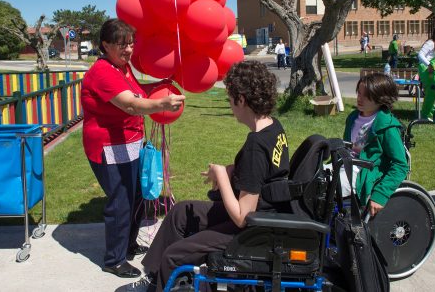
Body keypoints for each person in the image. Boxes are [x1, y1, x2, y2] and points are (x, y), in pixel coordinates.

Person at [138, 61, 290, 292]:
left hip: (254, 229)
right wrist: (230, 170)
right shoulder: (273, 127)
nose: (229, 104)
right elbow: (262, 171)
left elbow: (242, 217)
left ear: (241, 100)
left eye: (230, 99)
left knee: (173, 256)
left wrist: (221, 174)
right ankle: (154, 279)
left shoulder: (255, 146)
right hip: (265, 213)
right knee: (181, 213)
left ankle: (163, 280)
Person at [80, 19, 185, 278]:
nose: (128, 50)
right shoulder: (103, 72)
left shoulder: (123, 68)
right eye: (121, 45)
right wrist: (163, 103)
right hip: (108, 146)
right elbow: (130, 105)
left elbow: (137, 91)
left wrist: (162, 84)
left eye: (130, 44)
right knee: (121, 202)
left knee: (136, 196)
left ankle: (127, 245)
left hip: (129, 143)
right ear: (105, 45)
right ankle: (114, 259)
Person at [340, 73, 408, 217]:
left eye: (366, 95)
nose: (360, 98)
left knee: (327, 188)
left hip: (365, 172)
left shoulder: (387, 126)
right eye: (359, 92)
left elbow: (401, 165)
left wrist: (380, 195)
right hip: (346, 163)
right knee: (312, 175)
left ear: (381, 98)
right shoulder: (353, 117)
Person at [417, 28, 435, 120]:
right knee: (431, 92)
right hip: (427, 69)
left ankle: (430, 113)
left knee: (433, 93)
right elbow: (420, 55)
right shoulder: (430, 43)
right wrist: (429, 64)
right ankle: (425, 115)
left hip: (433, 69)